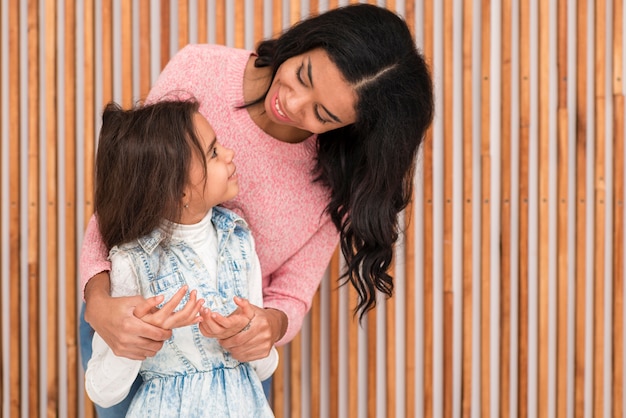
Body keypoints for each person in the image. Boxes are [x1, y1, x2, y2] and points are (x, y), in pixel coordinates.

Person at [79, 3, 434, 416]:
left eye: (323, 114)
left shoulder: (342, 177)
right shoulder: (200, 70)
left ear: (351, 127)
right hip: (131, 332)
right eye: (302, 75)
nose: (292, 102)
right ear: (307, 42)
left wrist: (267, 327)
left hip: (237, 360)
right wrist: (100, 306)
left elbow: (290, 296)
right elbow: (124, 199)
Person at [84, 98, 278, 417]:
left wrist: (247, 336)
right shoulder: (131, 262)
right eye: (214, 152)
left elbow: (264, 368)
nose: (229, 155)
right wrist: (137, 342)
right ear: (179, 192)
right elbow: (102, 392)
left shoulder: (240, 241)